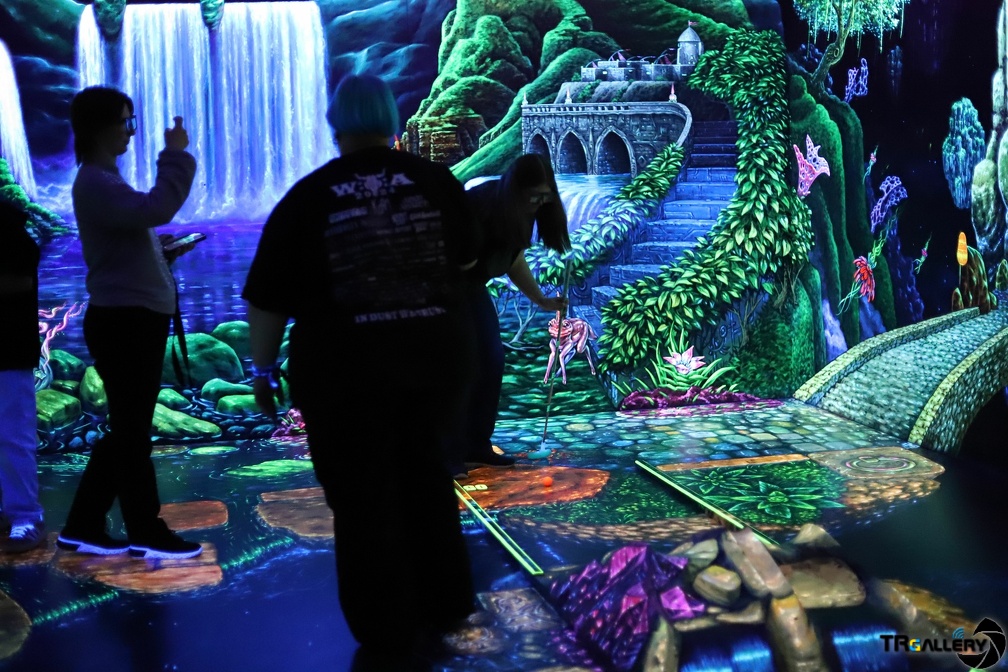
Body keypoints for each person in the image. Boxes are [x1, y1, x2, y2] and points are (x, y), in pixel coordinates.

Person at [243, 75, 477, 661]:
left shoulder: (309, 196)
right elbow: (469, 259)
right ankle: (445, 599)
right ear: (392, 119)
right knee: (428, 478)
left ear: (335, 123)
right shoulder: (435, 182)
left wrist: (263, 371)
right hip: (435, 361)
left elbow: (267, 299)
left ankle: (383, 625)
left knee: (360, 496)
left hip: (343, 375)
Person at [56, 86, 202, 559]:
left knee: (127, 430)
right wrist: (175, 156)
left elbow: (129, 234)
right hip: (126, 321)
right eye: (125, 122)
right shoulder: (97, 182)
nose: (131, 132)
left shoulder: (102, 180)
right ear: (100, 127)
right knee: (133, 433)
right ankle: (145, 530)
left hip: (127, 317)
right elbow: (154, 209)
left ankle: (82, 525)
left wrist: (159, 251)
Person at [448, 154, 570, 478]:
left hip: (473, 286)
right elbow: (457, 260)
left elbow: (512, 259)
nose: (539, 204)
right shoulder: (481, 204)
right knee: (460, 365)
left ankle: (476, 445)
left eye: (545, 197)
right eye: (534, 197)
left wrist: (541, 299)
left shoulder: (523, 211)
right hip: (447, 286)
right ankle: (447, 452)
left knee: (492, 359)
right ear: (517, 190)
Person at [0, 201, 46, 553]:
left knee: (13, 434)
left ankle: (25, 517)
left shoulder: (11, 230)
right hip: (11, 349)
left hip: (9, 350)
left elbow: (18, 281)